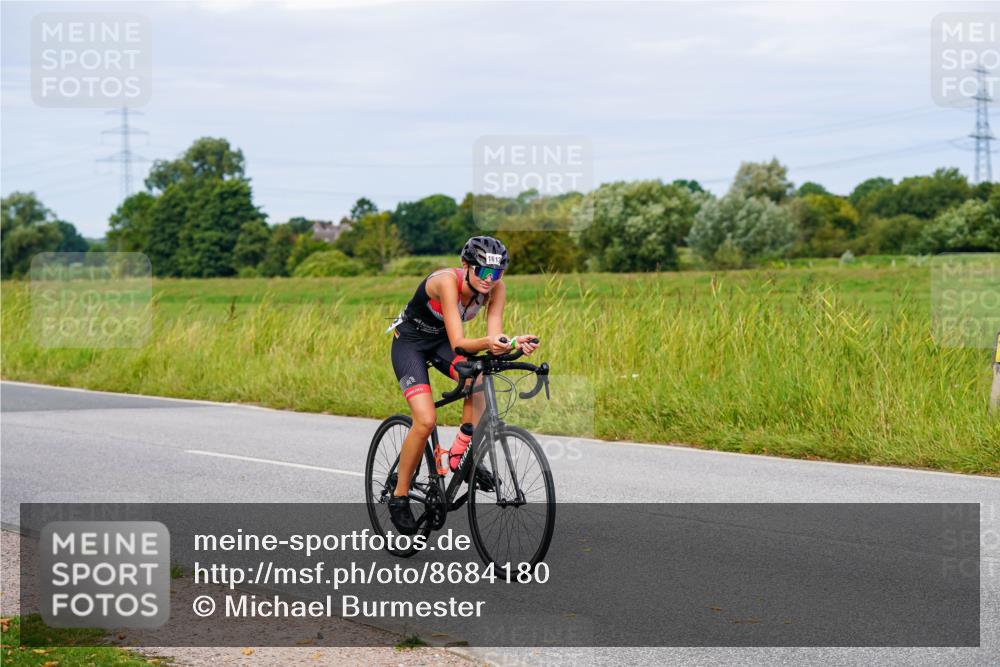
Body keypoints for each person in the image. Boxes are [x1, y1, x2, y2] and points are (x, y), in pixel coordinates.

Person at [385, 236, 539, 534]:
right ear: (465, 266)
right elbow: (460, 343)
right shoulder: (446, 282)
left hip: (440, 342)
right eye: (483, 272)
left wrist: (512, 342)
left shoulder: (496, 290)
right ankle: (399, 496)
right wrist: (492, 343)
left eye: (496, 274)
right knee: (426, 420)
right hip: (410, 344)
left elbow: (494, 340)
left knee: (479, 378)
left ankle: (460, 455)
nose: (489, 280)